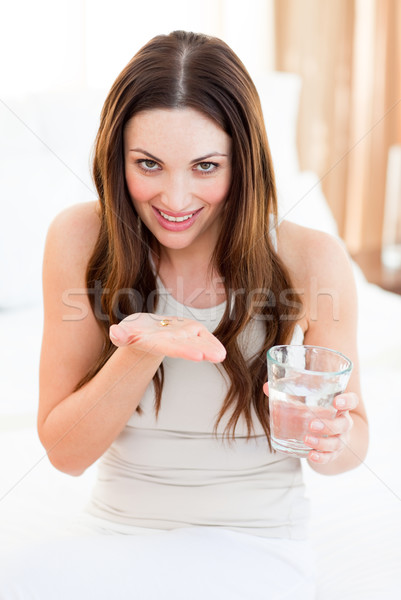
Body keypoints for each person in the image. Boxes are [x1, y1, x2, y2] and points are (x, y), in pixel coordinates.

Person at [0, 30, 368, 599]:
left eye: (204, 166)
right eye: (148, 164)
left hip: (257, 542)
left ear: (243, 161)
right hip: (115, 535)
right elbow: (66, 455)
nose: (174, 199)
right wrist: (141, 349)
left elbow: (350, 451)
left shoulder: (310, 257)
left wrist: (333, 437)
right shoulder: (78, 238)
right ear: (114, 156)